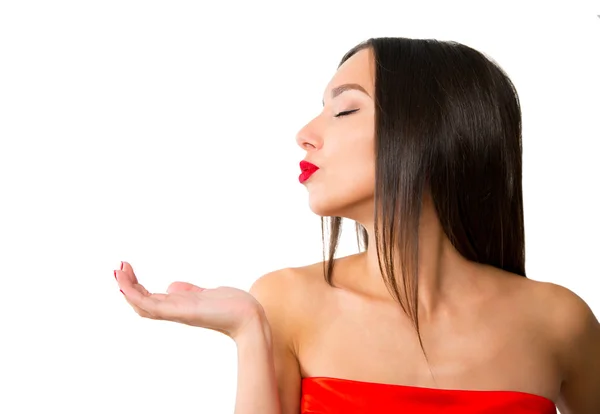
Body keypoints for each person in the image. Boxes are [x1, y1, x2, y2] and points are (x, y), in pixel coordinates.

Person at [115, 37, 600, 414]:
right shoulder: (285, 303)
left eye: (344, 109)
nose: (305, 135)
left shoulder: (560, 321)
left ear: (430, 132)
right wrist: (249, 331)